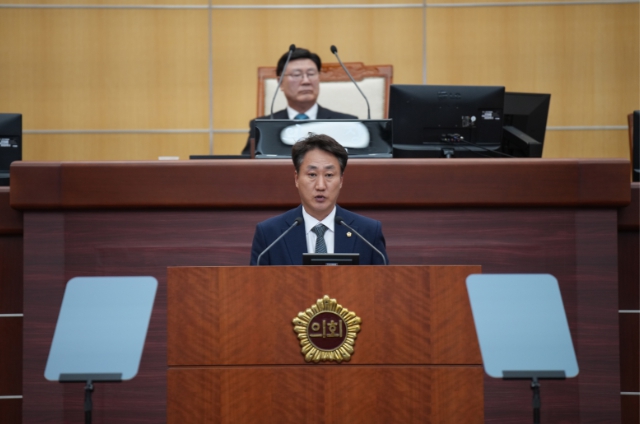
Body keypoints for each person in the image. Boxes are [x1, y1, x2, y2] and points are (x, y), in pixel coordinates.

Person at [250, 134, 388, 265]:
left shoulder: (368, 233)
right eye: (312, 175)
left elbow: (384, 281)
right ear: (297, 179)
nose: (320, 186)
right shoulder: (270, 234)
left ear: (341, 180)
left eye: (329, 175)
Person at [241, 48, 357, 155]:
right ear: (280, 82)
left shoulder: (347, 124)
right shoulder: (262, 127)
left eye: (311, 74)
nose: (306, 81)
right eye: (296, 75)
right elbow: (247, 166)